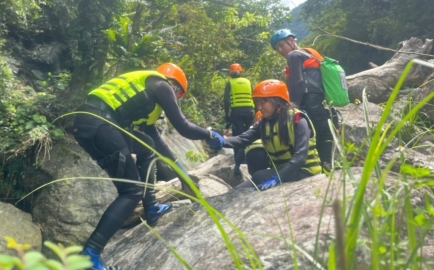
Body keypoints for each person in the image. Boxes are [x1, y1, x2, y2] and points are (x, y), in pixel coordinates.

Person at [72, 63, 225, 270]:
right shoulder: (161, 85)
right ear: (174, 85)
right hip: (100, 124)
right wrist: (209, 134)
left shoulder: (147, 92)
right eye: (179, 94)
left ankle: (152, 208)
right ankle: (90, 254)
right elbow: (183, 127)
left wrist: (182, 175)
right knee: (131, 191)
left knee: (147, 146)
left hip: (91, 122)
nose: (177, 98)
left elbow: (157, 144)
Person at [210, 80, 322, 189]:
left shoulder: (298, 120)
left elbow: (300, 158)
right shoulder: (264, 123)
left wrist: (277, 178)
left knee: (260, 176)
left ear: (278, 101)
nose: (259, 108)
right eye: (258, 103)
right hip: (283, 173)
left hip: (305, 173)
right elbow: (242, 139)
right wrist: (223, 141)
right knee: (240, 188)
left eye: (263, 102)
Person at [270, 29, 334, 170]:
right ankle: (328, 166)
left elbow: (298, 82)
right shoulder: (310, 53)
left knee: (311, 137)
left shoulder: (293, 55)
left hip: (309, 102)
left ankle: (317, 170)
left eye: (281, 45)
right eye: (277, 48)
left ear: (291, 41)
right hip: (321, 102)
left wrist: (293, 107)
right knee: (324, 135)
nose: (280, 50)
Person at [223, 63, 255, 180]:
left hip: (237, 112)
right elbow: (253, 96)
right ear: (241, 72)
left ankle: (239, 161)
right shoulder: (248, 81)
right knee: (250, 134)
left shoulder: (230, 83)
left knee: (239, 136)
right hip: (250, 111)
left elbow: (226, 100)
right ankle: (250, 157)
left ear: (231, 73)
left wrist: (226, 114)